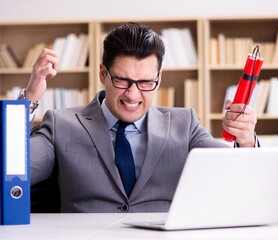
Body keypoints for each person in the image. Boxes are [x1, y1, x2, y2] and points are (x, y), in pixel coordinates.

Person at [21, 22, 258, 213]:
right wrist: (28, 100)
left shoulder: (184, 124)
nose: (133, 95)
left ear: (159, 77)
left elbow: (237, 178)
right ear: (103, 73)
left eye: (145, 82)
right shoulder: (62, 123)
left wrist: (246, 140)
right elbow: (14, 171)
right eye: (123, 80)